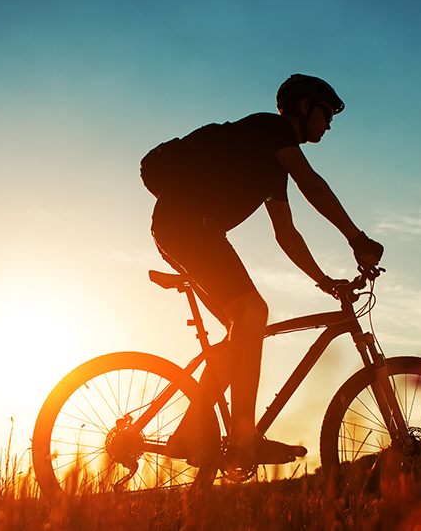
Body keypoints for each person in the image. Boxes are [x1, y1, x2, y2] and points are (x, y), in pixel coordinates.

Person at [149, 74, 384, 467]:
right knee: (252, 312)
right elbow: (311, 183)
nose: (329, 125)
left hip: (186, 228)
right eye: (326, 114)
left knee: (241, 330)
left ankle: (189, 434)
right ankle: (245, 439)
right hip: (188, 226)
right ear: (304, 107)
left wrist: (324, 281)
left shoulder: (273, 165)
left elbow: (286, 233)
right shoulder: (272, 128)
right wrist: (356, 238)